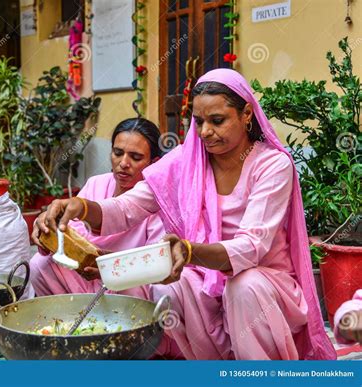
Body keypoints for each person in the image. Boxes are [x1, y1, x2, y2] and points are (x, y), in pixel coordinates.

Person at [38, 69, 336, 360]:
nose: (205, 131)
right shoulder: (186, 161)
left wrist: (190, 252)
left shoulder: (271, 165)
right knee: (173, 286)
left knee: (243, 286)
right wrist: (82, 207)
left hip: (264, 281)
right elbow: (129, 207)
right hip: (202, 276)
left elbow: (252, 247)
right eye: (199, 122)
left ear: (246, 114)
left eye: (217, 121)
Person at [30, 118, 166, 299]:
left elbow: (156, 262)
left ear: (154, 162)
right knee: (40, 264)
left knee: (130, 287)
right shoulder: (97, 183)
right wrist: (49, 230)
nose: (123, 163)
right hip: (85, 275)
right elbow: (73, 234)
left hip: (124, 278)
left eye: (135, 157)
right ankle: (69, 321)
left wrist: (111, 266)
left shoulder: (156, 200)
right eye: (118, 153)